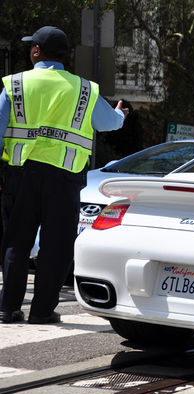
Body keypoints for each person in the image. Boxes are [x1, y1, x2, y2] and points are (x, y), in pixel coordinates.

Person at [0, 26, 129, 324]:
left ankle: (8, 307)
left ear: (36, 51)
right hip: (64, 179)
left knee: (16, 242)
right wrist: (121, 115)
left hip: (21, 176)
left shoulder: (15, 84)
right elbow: (108, 123)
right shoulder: (84, 89)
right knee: (56, 247)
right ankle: (42, 311)